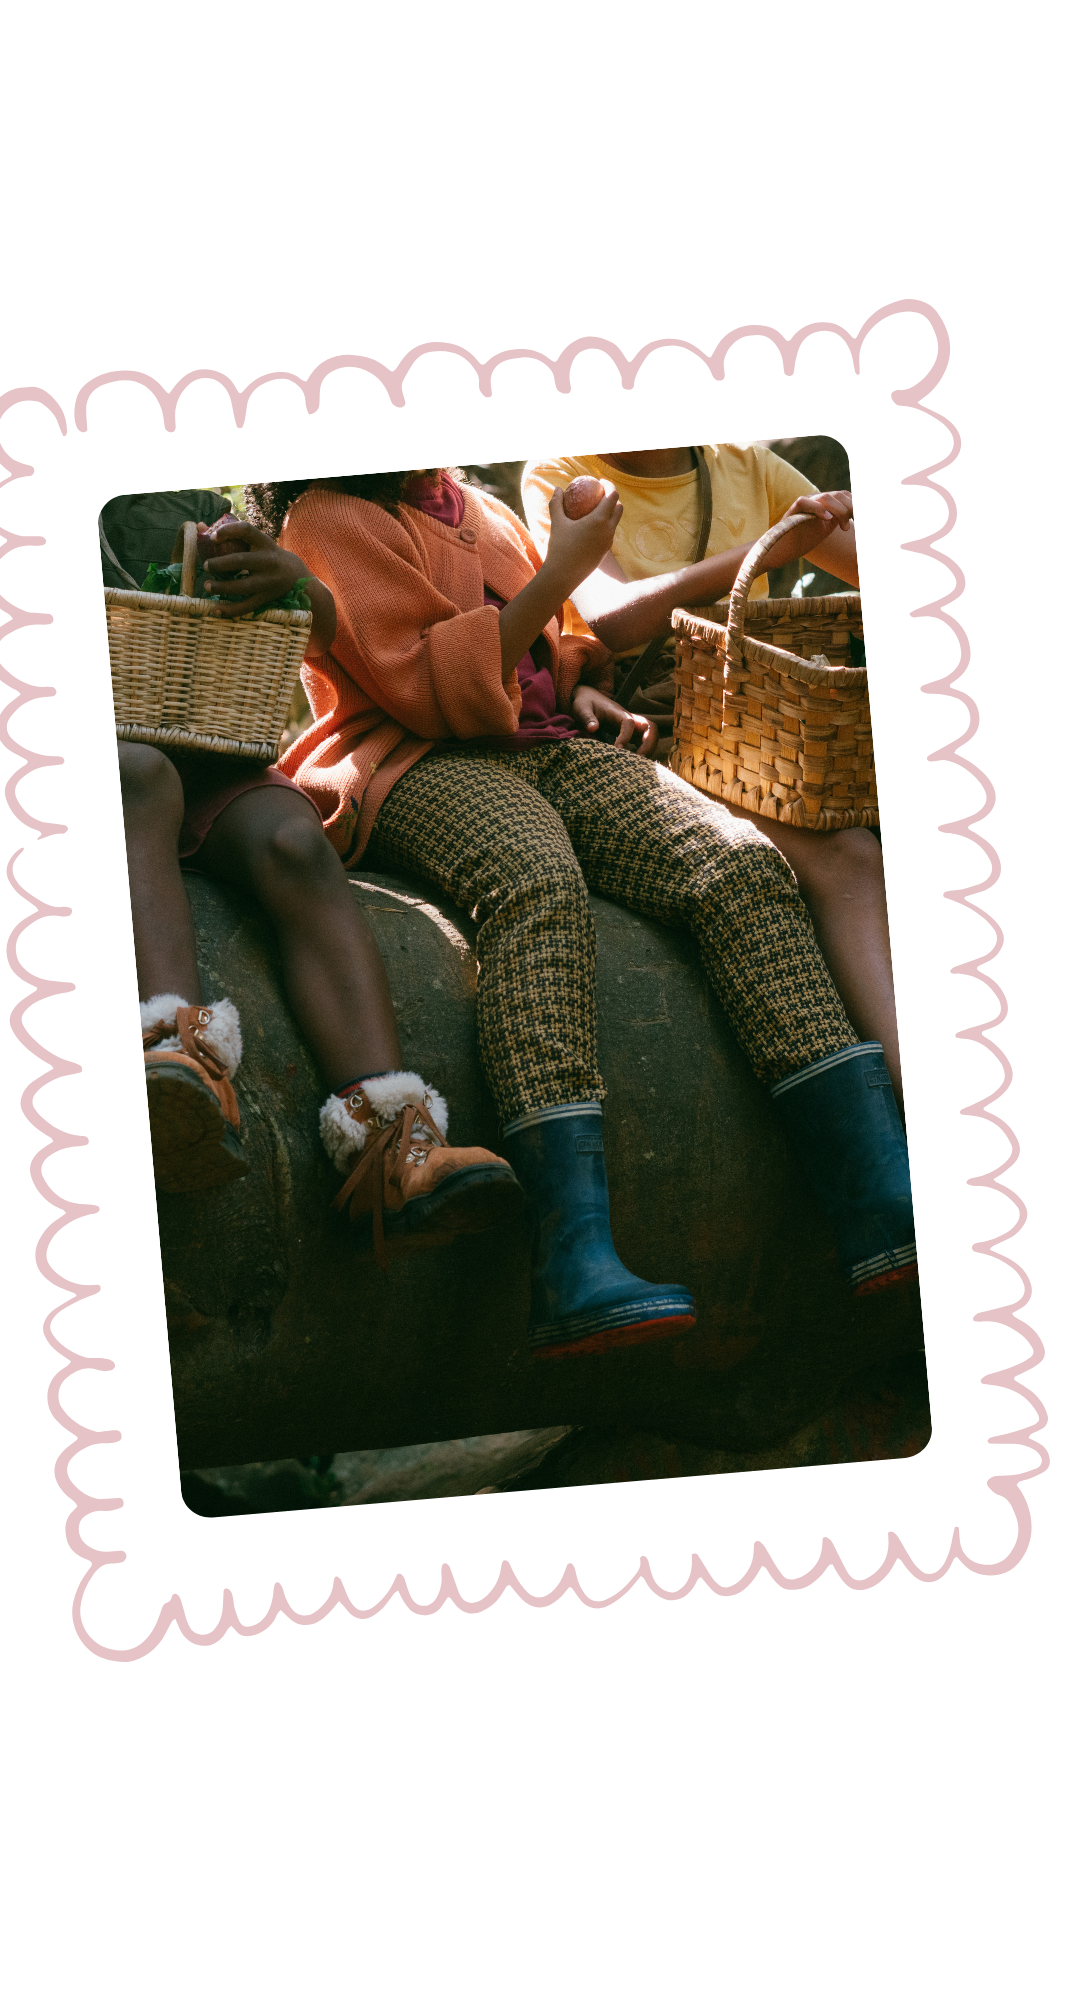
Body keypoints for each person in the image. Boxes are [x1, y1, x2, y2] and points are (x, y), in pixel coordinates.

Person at [258, 466, 917, 1364]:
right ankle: (572, 1260)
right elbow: (421, 684)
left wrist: (572, 687)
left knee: (738, 867)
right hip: (411, 758)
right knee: (535, 881)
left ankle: (879, 1207)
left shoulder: (471, 504)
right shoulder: (326, 518)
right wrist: (563, 571)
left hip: (547, 744)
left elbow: (550, 645)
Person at [101, 489, 520, 1264]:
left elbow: (325, 629)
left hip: (211, 747)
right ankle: (173, 1058)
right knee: (138, 776)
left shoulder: (195, 502)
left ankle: (392, 1140)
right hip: (111, 756)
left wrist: (291, 580)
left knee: (293, 837)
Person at [520, 444, 909, 1133]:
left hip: (772, 727)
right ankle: (917, 1112)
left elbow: (893, 576)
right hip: (660, 731)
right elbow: (612, 617)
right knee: (845, 853)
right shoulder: (562, 473)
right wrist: (775, 544)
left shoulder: (747, 466)